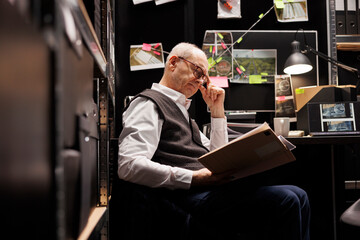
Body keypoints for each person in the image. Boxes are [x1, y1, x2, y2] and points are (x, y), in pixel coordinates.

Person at [117, 42, 310, 239]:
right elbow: (128, 165)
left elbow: (217, 157)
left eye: (204, 78)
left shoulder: (182, 112)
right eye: (198, 71)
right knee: (288, 200)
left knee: (299, 195)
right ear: (173, 63)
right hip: (186, 195)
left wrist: (217, 111)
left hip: (209, 191)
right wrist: (193, 178)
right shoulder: (148, 104)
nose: (201, 82)